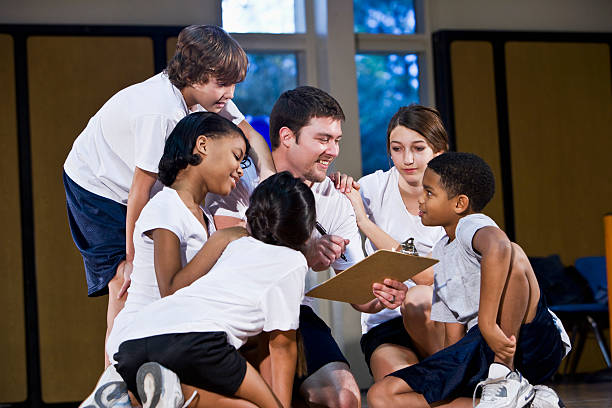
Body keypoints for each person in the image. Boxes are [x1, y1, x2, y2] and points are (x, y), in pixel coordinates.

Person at [62, 24, 275, 365]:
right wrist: (132, 260)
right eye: (223, 83)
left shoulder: (210, 98)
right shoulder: (159, 110)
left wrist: (267, 175)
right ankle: (113, 379)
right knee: (125, 280)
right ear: (195, 75)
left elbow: (247, 131)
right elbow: (139, 191)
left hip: (134, 186)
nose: (231, 93)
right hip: (97, 185)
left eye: (234, 83)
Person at [206, 86, 406, 408]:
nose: (333, 150)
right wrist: (302, 250)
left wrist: (381, 297)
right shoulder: (239, 179)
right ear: (287, 137)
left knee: (343, 397)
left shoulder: (335, 200)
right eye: (323, 139)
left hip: (293, 313)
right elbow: (224, 253)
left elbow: (359, 292)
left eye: (337, 140)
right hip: (234, 311)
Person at [367, 152, 570, 408]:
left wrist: (488, 326)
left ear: (460, 204)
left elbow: (499, 247)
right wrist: (448, 374)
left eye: (429, 193)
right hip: (479, 347)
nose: (421, 199)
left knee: (514, 253)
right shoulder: (442, 248)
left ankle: (504, 375)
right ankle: (525, 404)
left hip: (526, 342)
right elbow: (454, 333)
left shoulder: (470, 225)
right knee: (381, 395)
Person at [80, 112, 253, 408]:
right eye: (237, 156)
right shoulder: (165, 206)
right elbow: (171, 288)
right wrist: (223, 239)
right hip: (144, 337)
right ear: (203, 145)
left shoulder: (205, 218)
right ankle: (126, 389)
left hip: (174, 336)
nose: (239, 169)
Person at [113, 171, 317, 408]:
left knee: (185, 393)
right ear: (305, 228)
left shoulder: (236, 244)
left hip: (134, 341)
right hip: (196, 340)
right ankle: (162, 395)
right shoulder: (292, 262)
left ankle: (127, 396)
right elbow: (282, 346)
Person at [341, 105, 449, 382]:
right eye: (397, 149)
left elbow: (428, 277)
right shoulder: (371, 189)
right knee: (391, 393)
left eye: (418, 148)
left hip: (440, 320)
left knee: (418, 298)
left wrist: (367, 224)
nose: (407, 159)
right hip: (386, 324)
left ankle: (452, 379)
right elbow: (358, 298)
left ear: (439, 151)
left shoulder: (454, 200)